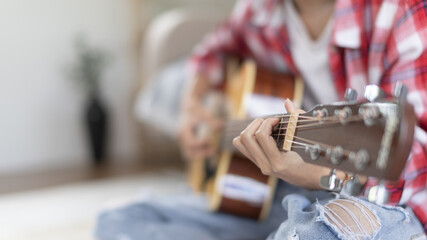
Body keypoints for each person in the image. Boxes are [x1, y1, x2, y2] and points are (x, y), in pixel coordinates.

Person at [95, 0, 427, 239]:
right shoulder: (260, 10)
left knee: (311, 233)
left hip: (373, 201)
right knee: (118, 221)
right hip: (271, 195)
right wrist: (192, 102)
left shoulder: (399, 12)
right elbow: (212, 52)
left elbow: (413, 164)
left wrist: (322, 176)